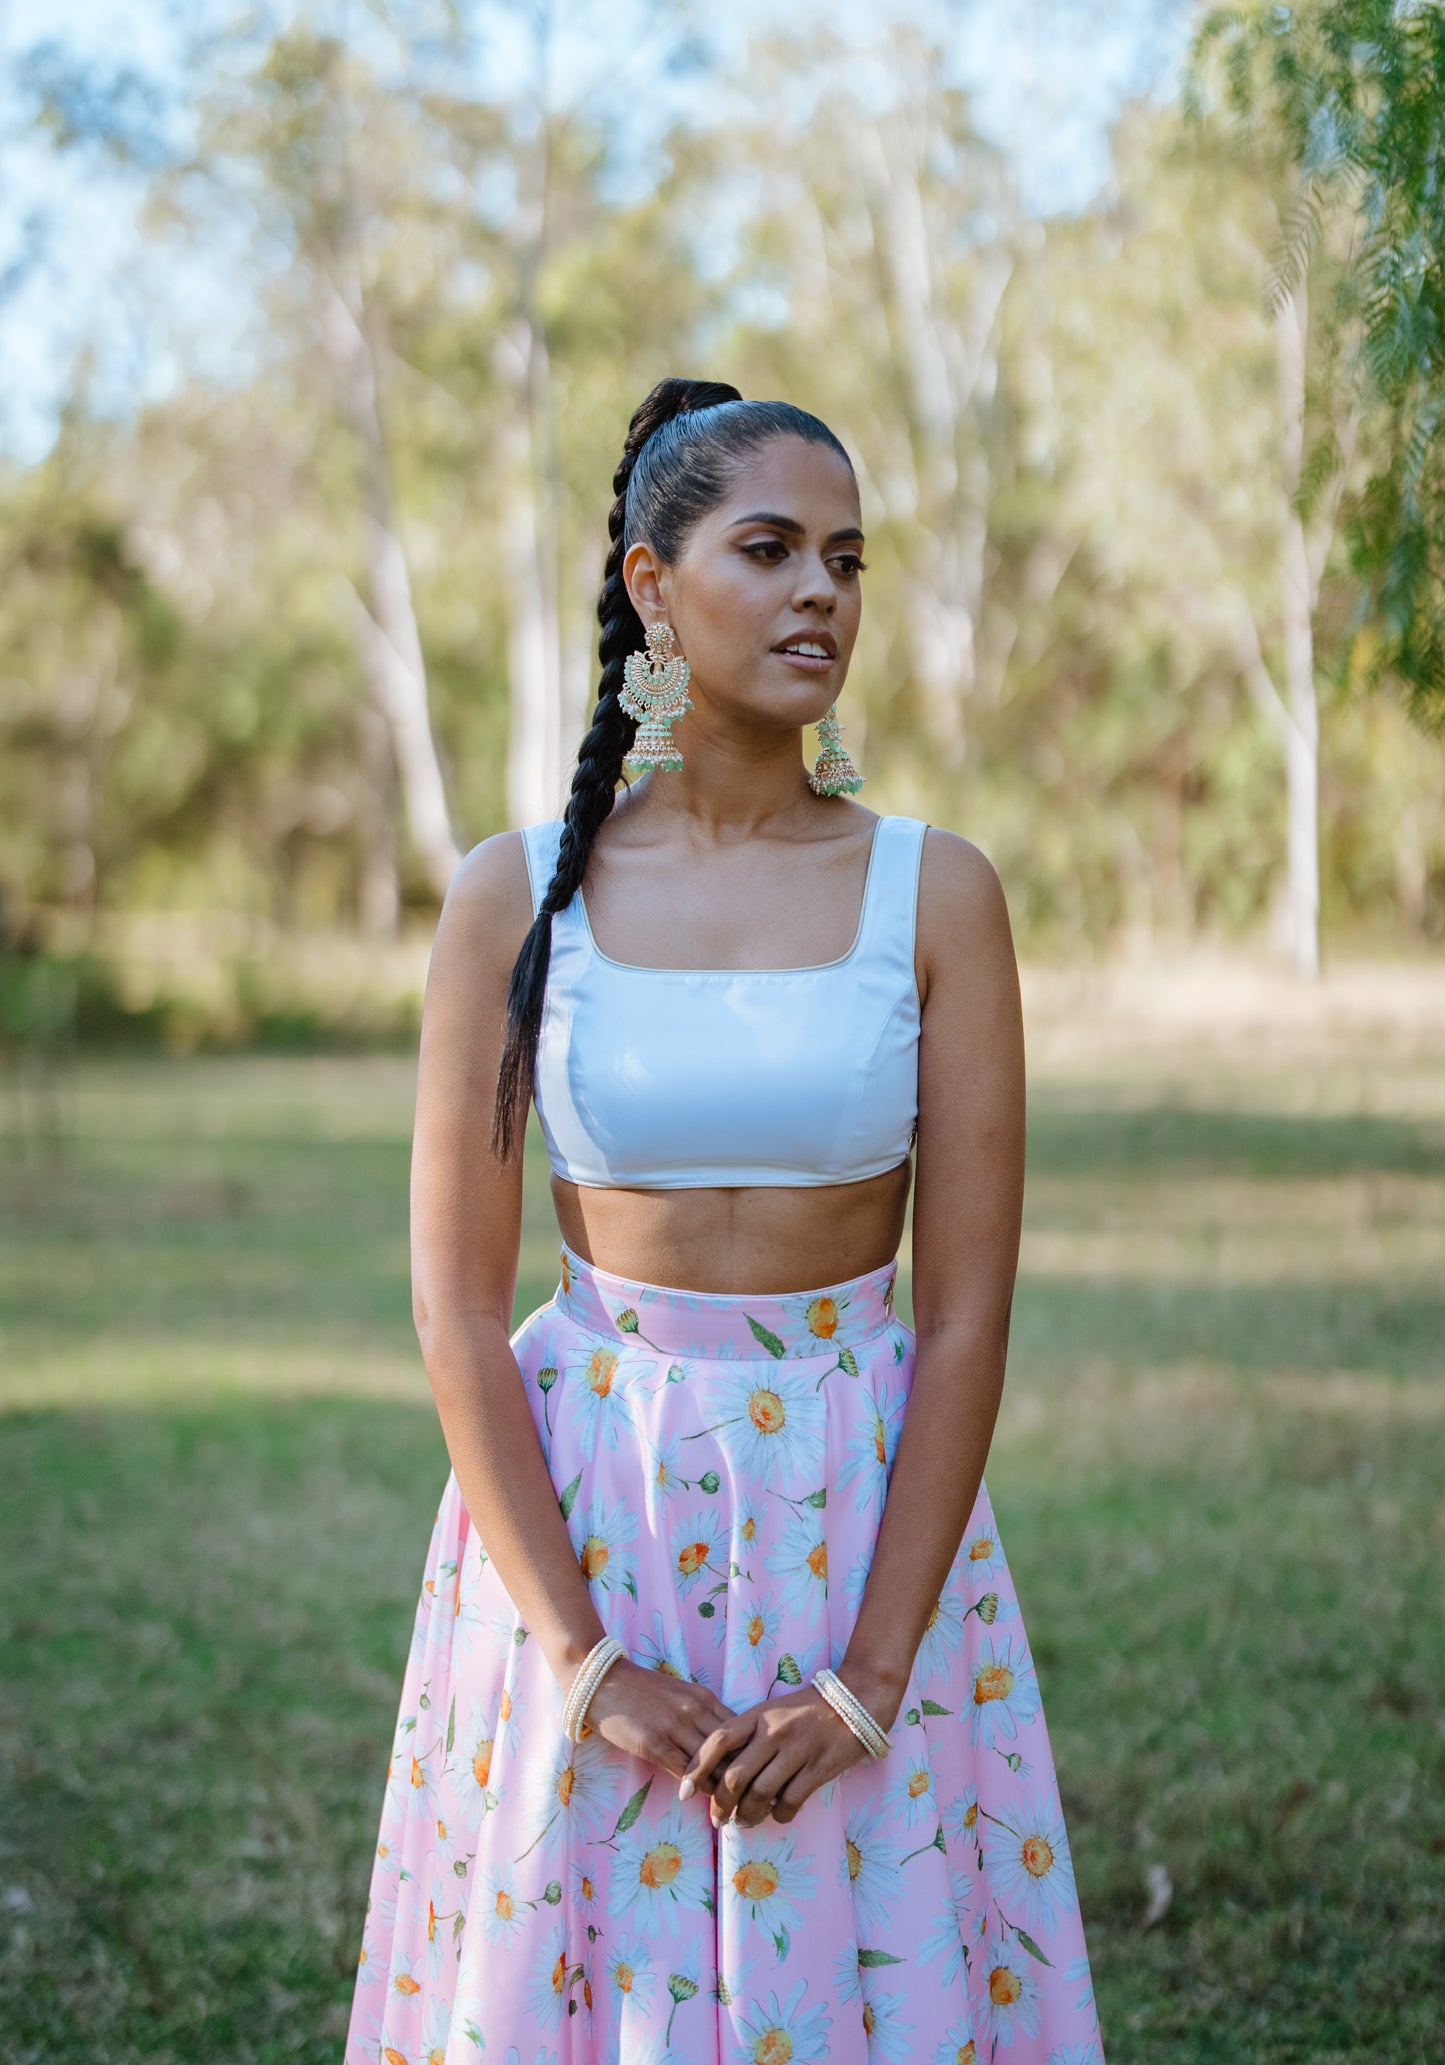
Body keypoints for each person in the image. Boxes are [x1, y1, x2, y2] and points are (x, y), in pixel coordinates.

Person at [345, 378, 1104, 2065]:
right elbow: (459, 1308)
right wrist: (581, 1653)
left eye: (846, 558)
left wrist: (870, 1676)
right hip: (588, 1508)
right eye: (766, 549)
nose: (820, 591)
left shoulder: (939, 890)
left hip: (860, 1514)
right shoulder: (515, 892)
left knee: (863, 1963)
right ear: (650, 584)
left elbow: (965, 1313)